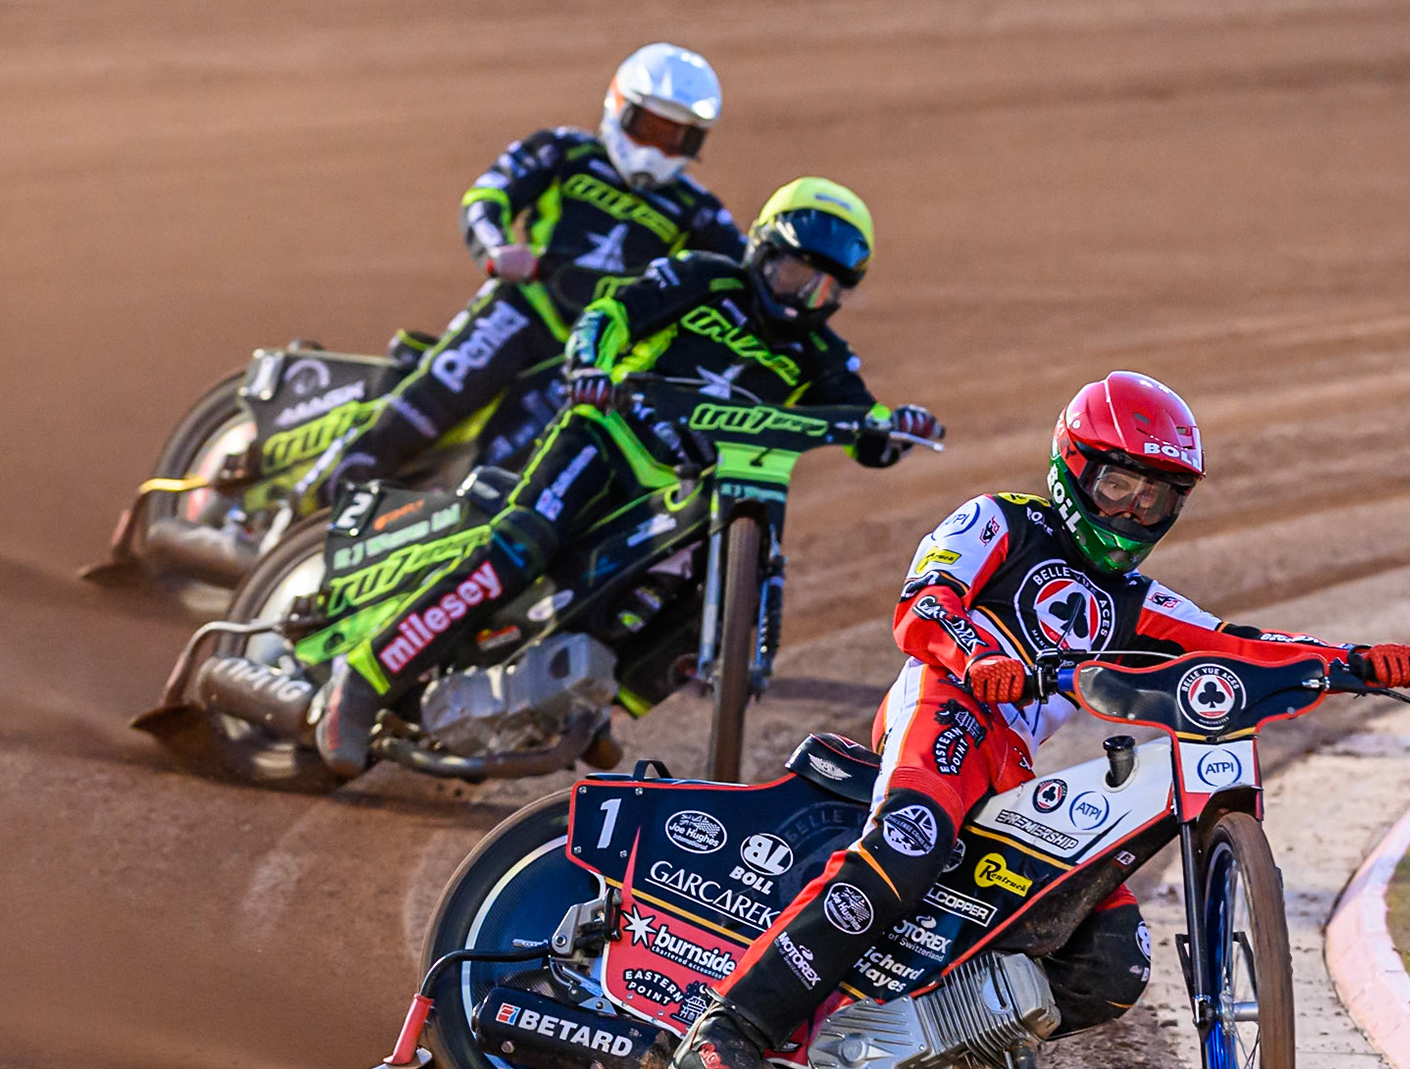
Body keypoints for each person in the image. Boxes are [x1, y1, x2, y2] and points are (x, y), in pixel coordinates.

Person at [668, 370, 1410, 1069]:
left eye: (1156, 498)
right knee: (908, 843)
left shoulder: (1141, 602)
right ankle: (729, 1031)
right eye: (1118, 485)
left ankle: (906, 1053)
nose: (1132, 511)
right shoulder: (998, 520)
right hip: (945, 707)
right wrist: (977, 657)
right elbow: (923, 603)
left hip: (1011, 762)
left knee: (1112, 958)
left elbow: (1235, 645)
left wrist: (1350, 661)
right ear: (1072, 469)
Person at [312, 177, 944, 775]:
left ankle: (596, 701)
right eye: (797, 275)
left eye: (826, 289)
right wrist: (591, 364)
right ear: (763, 250)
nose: (805, 298)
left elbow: (863, 426)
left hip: (689, 492)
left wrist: (896, 429)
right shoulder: (702, 277)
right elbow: (612, 313)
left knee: (705, 597)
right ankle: (363, 678)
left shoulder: (822, 355)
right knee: (521, 546)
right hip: (606, 435)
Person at [326, 43, 747, 490]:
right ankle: (317, 495)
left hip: (588, 355)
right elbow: (488, 196)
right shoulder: (563, 151)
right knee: (421, 411)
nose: (657, 148)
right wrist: (497, 249)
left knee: (507, 470)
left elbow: (743, 285)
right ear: (619, 105)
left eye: (676, 137)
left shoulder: (698, 210)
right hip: (520, 310)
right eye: (649, 128)